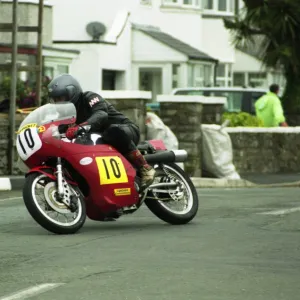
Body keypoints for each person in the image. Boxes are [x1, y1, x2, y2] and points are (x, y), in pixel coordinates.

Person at [47, 74, 156, 189]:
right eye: (55, 99)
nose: (58, 102)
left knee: (112, 132)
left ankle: (145, 167)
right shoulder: (66, 114)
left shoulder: (89, 97)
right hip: (102, 140)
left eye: (60, 98)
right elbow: (58, 127)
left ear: (71, 92)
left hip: (125, 130)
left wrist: (82, 126)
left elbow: (101, 114)